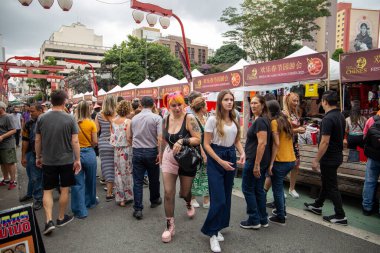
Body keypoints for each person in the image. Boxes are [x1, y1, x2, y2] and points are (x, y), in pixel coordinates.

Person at [201, 90, 245, 253]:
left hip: (230, 156)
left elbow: (236, 141)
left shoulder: (235, 118)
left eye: (231, 99)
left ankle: (217, 228)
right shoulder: (212, 120)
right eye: (226, 99)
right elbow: (206, 144)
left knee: (226, 197)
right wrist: (219, 161)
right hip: (216, 157)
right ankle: (212, 233)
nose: (229, 102)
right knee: (218, 198)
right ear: (220, 102)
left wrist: (243, 152)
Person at [35, 90, 81, 235]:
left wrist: (38, 156)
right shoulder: (70, 118)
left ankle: (48, 221)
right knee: (65, 188)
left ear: (51, 101)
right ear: (64, 101)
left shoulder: (42, 118)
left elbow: (37, 139)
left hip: (48, 160)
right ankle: (61, 217)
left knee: (47, 190)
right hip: (66, 160)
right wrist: (77, 159)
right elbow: (75, 140)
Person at [160, 91, 201, 243]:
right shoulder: (165, 119)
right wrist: (160, 154)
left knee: (184, 192)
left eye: (179, 104)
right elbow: (163, 140)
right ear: (168, 106)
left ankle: (188, 202)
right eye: (173, 105)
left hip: (186, 158)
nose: (177, 108)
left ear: (184, 104)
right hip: (169, 157)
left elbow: (199, 139)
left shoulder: (189, 118)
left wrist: (182, 141)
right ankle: (169, 225)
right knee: (168, 192)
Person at [305, 90, 347, 225]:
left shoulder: (328, 118)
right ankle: (318, 205)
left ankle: (340, 215)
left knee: (331, 185)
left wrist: (316, 160)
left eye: (321, 101)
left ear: (325, 102)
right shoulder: (340, 116)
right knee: (327, 182)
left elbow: (325, 141)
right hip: (336, 155)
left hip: (329, 157)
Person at [240, 94, 271, 229]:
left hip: (255, 161)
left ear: (263, 105)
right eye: (251, 103)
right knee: (258, 189)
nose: (253, 106)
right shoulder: (262, 120)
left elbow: (262, 143)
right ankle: (263, 218)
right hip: (259, 160)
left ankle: (254, 219)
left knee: (247, 189)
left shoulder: (260, 121)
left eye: (256, 103)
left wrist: (256, 164)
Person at [129, 96, 162, 220]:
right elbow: (160, 137)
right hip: (151, 151)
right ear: (153, 105)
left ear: (141, 105)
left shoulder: (134, 119)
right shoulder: (157, 118)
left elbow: (129, 136)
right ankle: (154, 199)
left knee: (137, 181)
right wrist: (160, 152)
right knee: (154, 178)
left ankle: (138, 209)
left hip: (137, 151)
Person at [267, 100, 296, 225]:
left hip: (280, 160)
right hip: (291, 160)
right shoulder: (285, 120)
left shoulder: (274, 122)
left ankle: (280, 216)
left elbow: (276, 143)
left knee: (277, 190)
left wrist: (271, 163)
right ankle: (282, 211)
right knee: (279, 188)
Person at [70, 100, 98, 219]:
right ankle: (90, 202)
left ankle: (80, 210)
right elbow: (95, 142)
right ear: (89, 110)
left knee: (77, 183)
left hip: (76, 154)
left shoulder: (72, 123)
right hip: (89, 153)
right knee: (91, 180)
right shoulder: (91, 123)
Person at [20, 103, 44, 210]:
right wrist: (23, 156)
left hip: (49, 155)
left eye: (32, 111)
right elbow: (25, 140)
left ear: (40, 110)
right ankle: (38, 199)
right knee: (35, 178)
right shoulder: (28, 124)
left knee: (50, 176)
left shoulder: (47, 121)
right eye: (29, 111)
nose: (30, 114)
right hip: (34, 154)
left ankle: (58, 189)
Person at [110, 100, 133, 207]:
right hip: (126, 149)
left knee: (118, 172)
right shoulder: (128, 121)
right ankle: (128, 196)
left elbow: (112, 136)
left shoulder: (113, 121)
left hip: (116, 150)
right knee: (127, 172)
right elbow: (129, 137)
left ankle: (121, 198)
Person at [283, 92, 305, 198]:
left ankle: (292, 188)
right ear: (288, 101)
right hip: (286, 143)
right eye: (294, 101)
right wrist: (297, 130)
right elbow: (284, 131)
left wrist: (301, 129)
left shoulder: (295, 113)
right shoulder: (284, 114)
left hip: (295, 143)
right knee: (284, 166)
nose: (296, 103)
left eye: (297, 101)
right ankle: (279, 188)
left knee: (296, 165)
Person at [95, 95, 117, 201]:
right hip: (115, 143)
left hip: (103, 143)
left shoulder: (99, 115)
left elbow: (96, 131)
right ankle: (115, 190)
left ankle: (109, 192)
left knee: (107, 168)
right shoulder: (117, 115)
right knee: (116, 167)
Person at [190, 97, 210, 209]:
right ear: (201, 108)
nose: (207, 108)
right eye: (206, 106)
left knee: (207, 174)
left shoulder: (206, 118)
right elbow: (196, 138)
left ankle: (206, 198)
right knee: (195, 174)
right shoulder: (193, 119)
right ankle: (192, 198)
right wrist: (203, 152)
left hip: (207, 148)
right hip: (197, 149)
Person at [362, 109, 380, 216]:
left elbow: (364, 137)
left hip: (373, 157)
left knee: (369, 181)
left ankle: (367, 207)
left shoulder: (371, 120)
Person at [0, 101, 17, 190]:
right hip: (1, 144)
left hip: (7, 143)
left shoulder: (8, 117)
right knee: (2, 163)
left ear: (2, 109)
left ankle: (13, 181)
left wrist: (2, 136)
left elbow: (14, 130)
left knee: (10, 162)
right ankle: (6, 179)